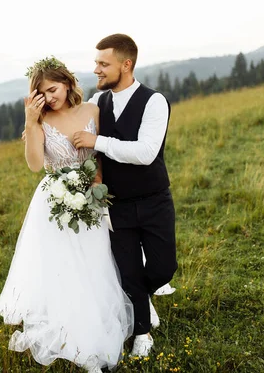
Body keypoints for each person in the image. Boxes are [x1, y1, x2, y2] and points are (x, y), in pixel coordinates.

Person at [0, 56, 133, 372]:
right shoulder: (40, 122)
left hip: (90, 197)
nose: (50, 97)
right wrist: (31, 122)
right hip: (54, 204)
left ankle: (96, 326)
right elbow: (33, 165)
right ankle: (75, 337)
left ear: (68, 84)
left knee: (95, 262)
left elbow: (102, 153)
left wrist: (96, 185)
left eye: (54, 89)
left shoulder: (92, 111)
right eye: (42, 93)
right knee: (64, 269)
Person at [72, 34, 178, 357]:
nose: (97, 70)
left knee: (163, 269)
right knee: (129, 271)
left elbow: (145, 152)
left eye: (103, 64)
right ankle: (142, 333)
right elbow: (77, 136)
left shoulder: (154, 101)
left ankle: (141, 299)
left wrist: (97, 142)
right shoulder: (97, 101)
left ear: (126, 64)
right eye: (96, 63)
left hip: (154, 200)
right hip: (115, 204)